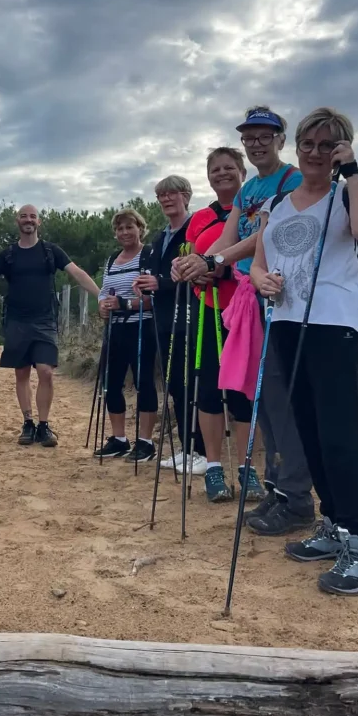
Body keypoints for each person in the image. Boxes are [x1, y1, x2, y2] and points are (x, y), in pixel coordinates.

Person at [251, 107, 358, 595]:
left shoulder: (345, 193)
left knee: (337, 433)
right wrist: (261, 280)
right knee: (308, 428)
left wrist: (352, 171)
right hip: (287, 322)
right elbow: (259, 262)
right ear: (297, 147)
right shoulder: (278, 204)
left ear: (341, 150)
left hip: (333, 323)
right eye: (308, 143)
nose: (315, 152)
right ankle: (334, 524)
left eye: (328, 145)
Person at [193, 106, 316, 536]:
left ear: (281, 139)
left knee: (280, 397)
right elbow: (228, 237)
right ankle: (277, 488)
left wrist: (216, 260)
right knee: (261, 395)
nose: (256, 143)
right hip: (251, 299)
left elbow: (265, 236)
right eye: (249, 137)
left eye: (265, 135)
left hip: (282, 297)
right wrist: (198, 262)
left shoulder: (293, 180)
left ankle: (296, 497)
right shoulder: (249, 190)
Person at [0, 204, 100, 447]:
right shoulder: (8, 255)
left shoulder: (51, 251)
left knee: (46, 371)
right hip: (16, 321)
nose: (28, 220)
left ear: (39, 222)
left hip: (45, 320)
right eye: (24, 216)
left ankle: (44, 426)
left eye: (33, 216)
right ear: (17, 221)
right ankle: (28, 423)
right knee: (22, 373)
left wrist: (101, 295)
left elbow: (77, 273)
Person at [171, 148, 267, 502]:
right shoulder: (200, 217)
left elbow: (261, 251)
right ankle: (213, 467)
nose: (222, 174)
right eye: (215, 169)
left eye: (229, 167)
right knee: (208, 388)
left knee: (244, 391)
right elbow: (189, 254)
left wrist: (220, 270)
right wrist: (185, 270)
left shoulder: (258, 209)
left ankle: (246, 467)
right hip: (207, 308)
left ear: (243, 172)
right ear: (208, 177)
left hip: (246, 309)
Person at [134, 175, 207, 473]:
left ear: (186, 196)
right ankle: (187, 449)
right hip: (163, 319)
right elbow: (154, 274)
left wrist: (160, 283)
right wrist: (145, 285)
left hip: (189, 315)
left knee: (192, 383)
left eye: (171, 193)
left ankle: (202, 450)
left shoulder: (196, 230)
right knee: (175, 384)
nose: (166, 199)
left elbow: (196, 274)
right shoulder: (158, 238)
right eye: (161, 195)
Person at [94, 209, 158, 463]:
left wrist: (124, 303)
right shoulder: (112, 259)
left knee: (144, 383)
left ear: (140, 229)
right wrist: (102, 305)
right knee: (111, 383)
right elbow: (104, 291)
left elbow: (154, 298)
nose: (124, 232)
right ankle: (119, 439)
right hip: (115, 329)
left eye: (129, 227)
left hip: (141, 326)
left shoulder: (149, 255)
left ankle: (146, 442)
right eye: (120, 229)